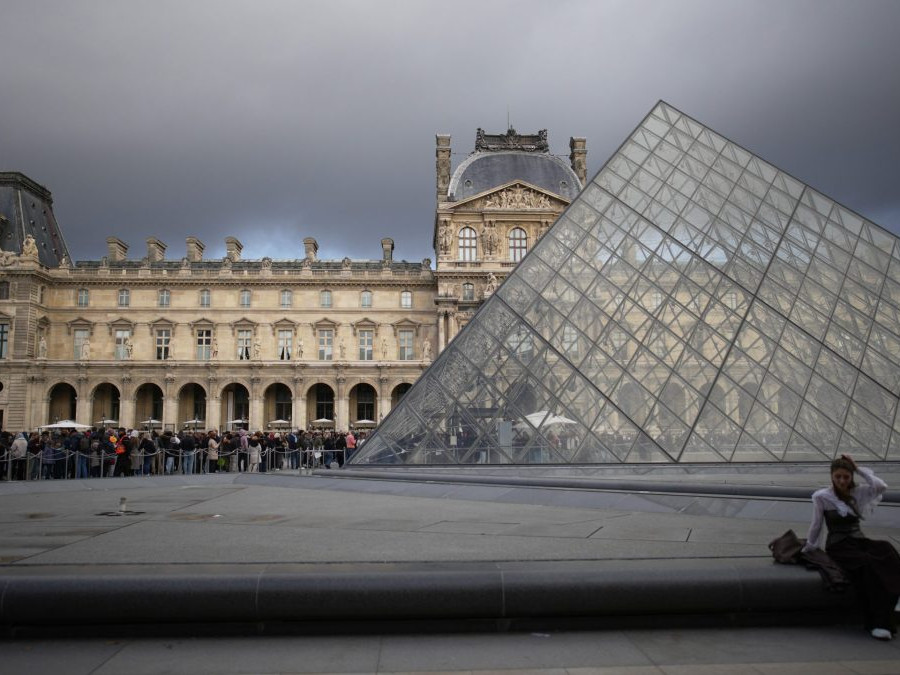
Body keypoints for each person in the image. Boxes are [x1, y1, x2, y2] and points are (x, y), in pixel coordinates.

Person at [803, 455, 900, 640]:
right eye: (838, 476)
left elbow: (880, 486)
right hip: (839, 546)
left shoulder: (858, 493)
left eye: (846, 477)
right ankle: (877, 622)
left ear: (851, 477)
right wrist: (809, 548)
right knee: (868, 564)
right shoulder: (822, 497)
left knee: (886, 550)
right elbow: (816, 525)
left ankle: (893, 599)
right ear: (832, 476)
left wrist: (857, 468)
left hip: (858, 541)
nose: (842, 481)